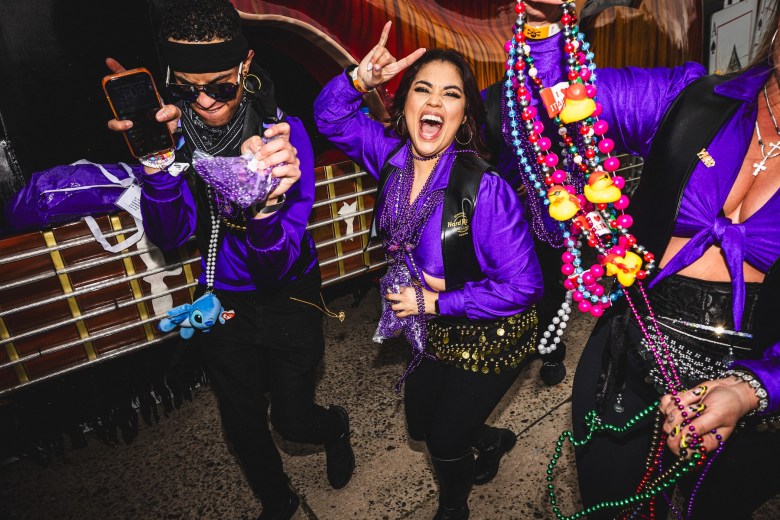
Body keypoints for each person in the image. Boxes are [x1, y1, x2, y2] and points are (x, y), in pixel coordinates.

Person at [516, 1, 780, 518]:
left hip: (741, 386)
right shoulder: (692, 97)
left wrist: (753, 390)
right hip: (627, 350)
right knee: (612, 506)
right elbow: (560, 104)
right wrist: (544, 27)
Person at [106, 1, 354, 518]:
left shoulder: (284, 138)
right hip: (222, 300)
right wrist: (156, 164)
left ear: (246, 66)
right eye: (186, 89)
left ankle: (333, 428)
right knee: (241, 423)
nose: (204, 102)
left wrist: (265, 209)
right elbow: (170, 234)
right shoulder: (174, 138)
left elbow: (278, 262)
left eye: (220, 87)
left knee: (292, 420)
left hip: (288, 296)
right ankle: (278, 500)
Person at [314, 22, 543, 520]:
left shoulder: (486, 190)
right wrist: (358, 80)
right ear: (405, 107)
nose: (435, 101)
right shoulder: (390, 157)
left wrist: (437, 300)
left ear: (463, 117)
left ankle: (454, 507)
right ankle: (491, 439)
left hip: (492, 333)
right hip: (432, 324)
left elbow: (525, 286)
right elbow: (329, 118)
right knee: (419, 425)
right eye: (423, 89)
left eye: (451, 94)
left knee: (443, 441)